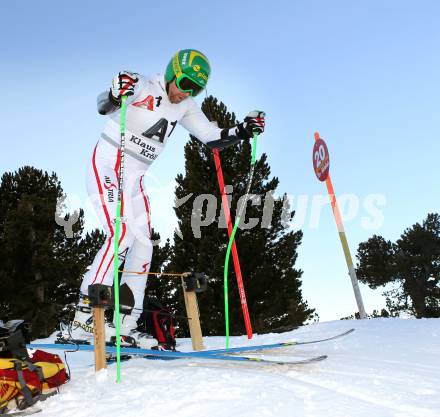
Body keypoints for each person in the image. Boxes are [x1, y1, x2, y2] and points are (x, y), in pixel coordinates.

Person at [62, 49, 265, 348]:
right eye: (184, 84)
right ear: (171, 74)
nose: (186, 93)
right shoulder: (142, 85)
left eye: (195, 88)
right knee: (120, 235)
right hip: (107, 166)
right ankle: (82, 319)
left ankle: (125, 324)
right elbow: (104, 106)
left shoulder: (185, 107)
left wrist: (242, 130)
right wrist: (116, 93)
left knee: (143, 243)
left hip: (134, 180)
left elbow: (211, 136)